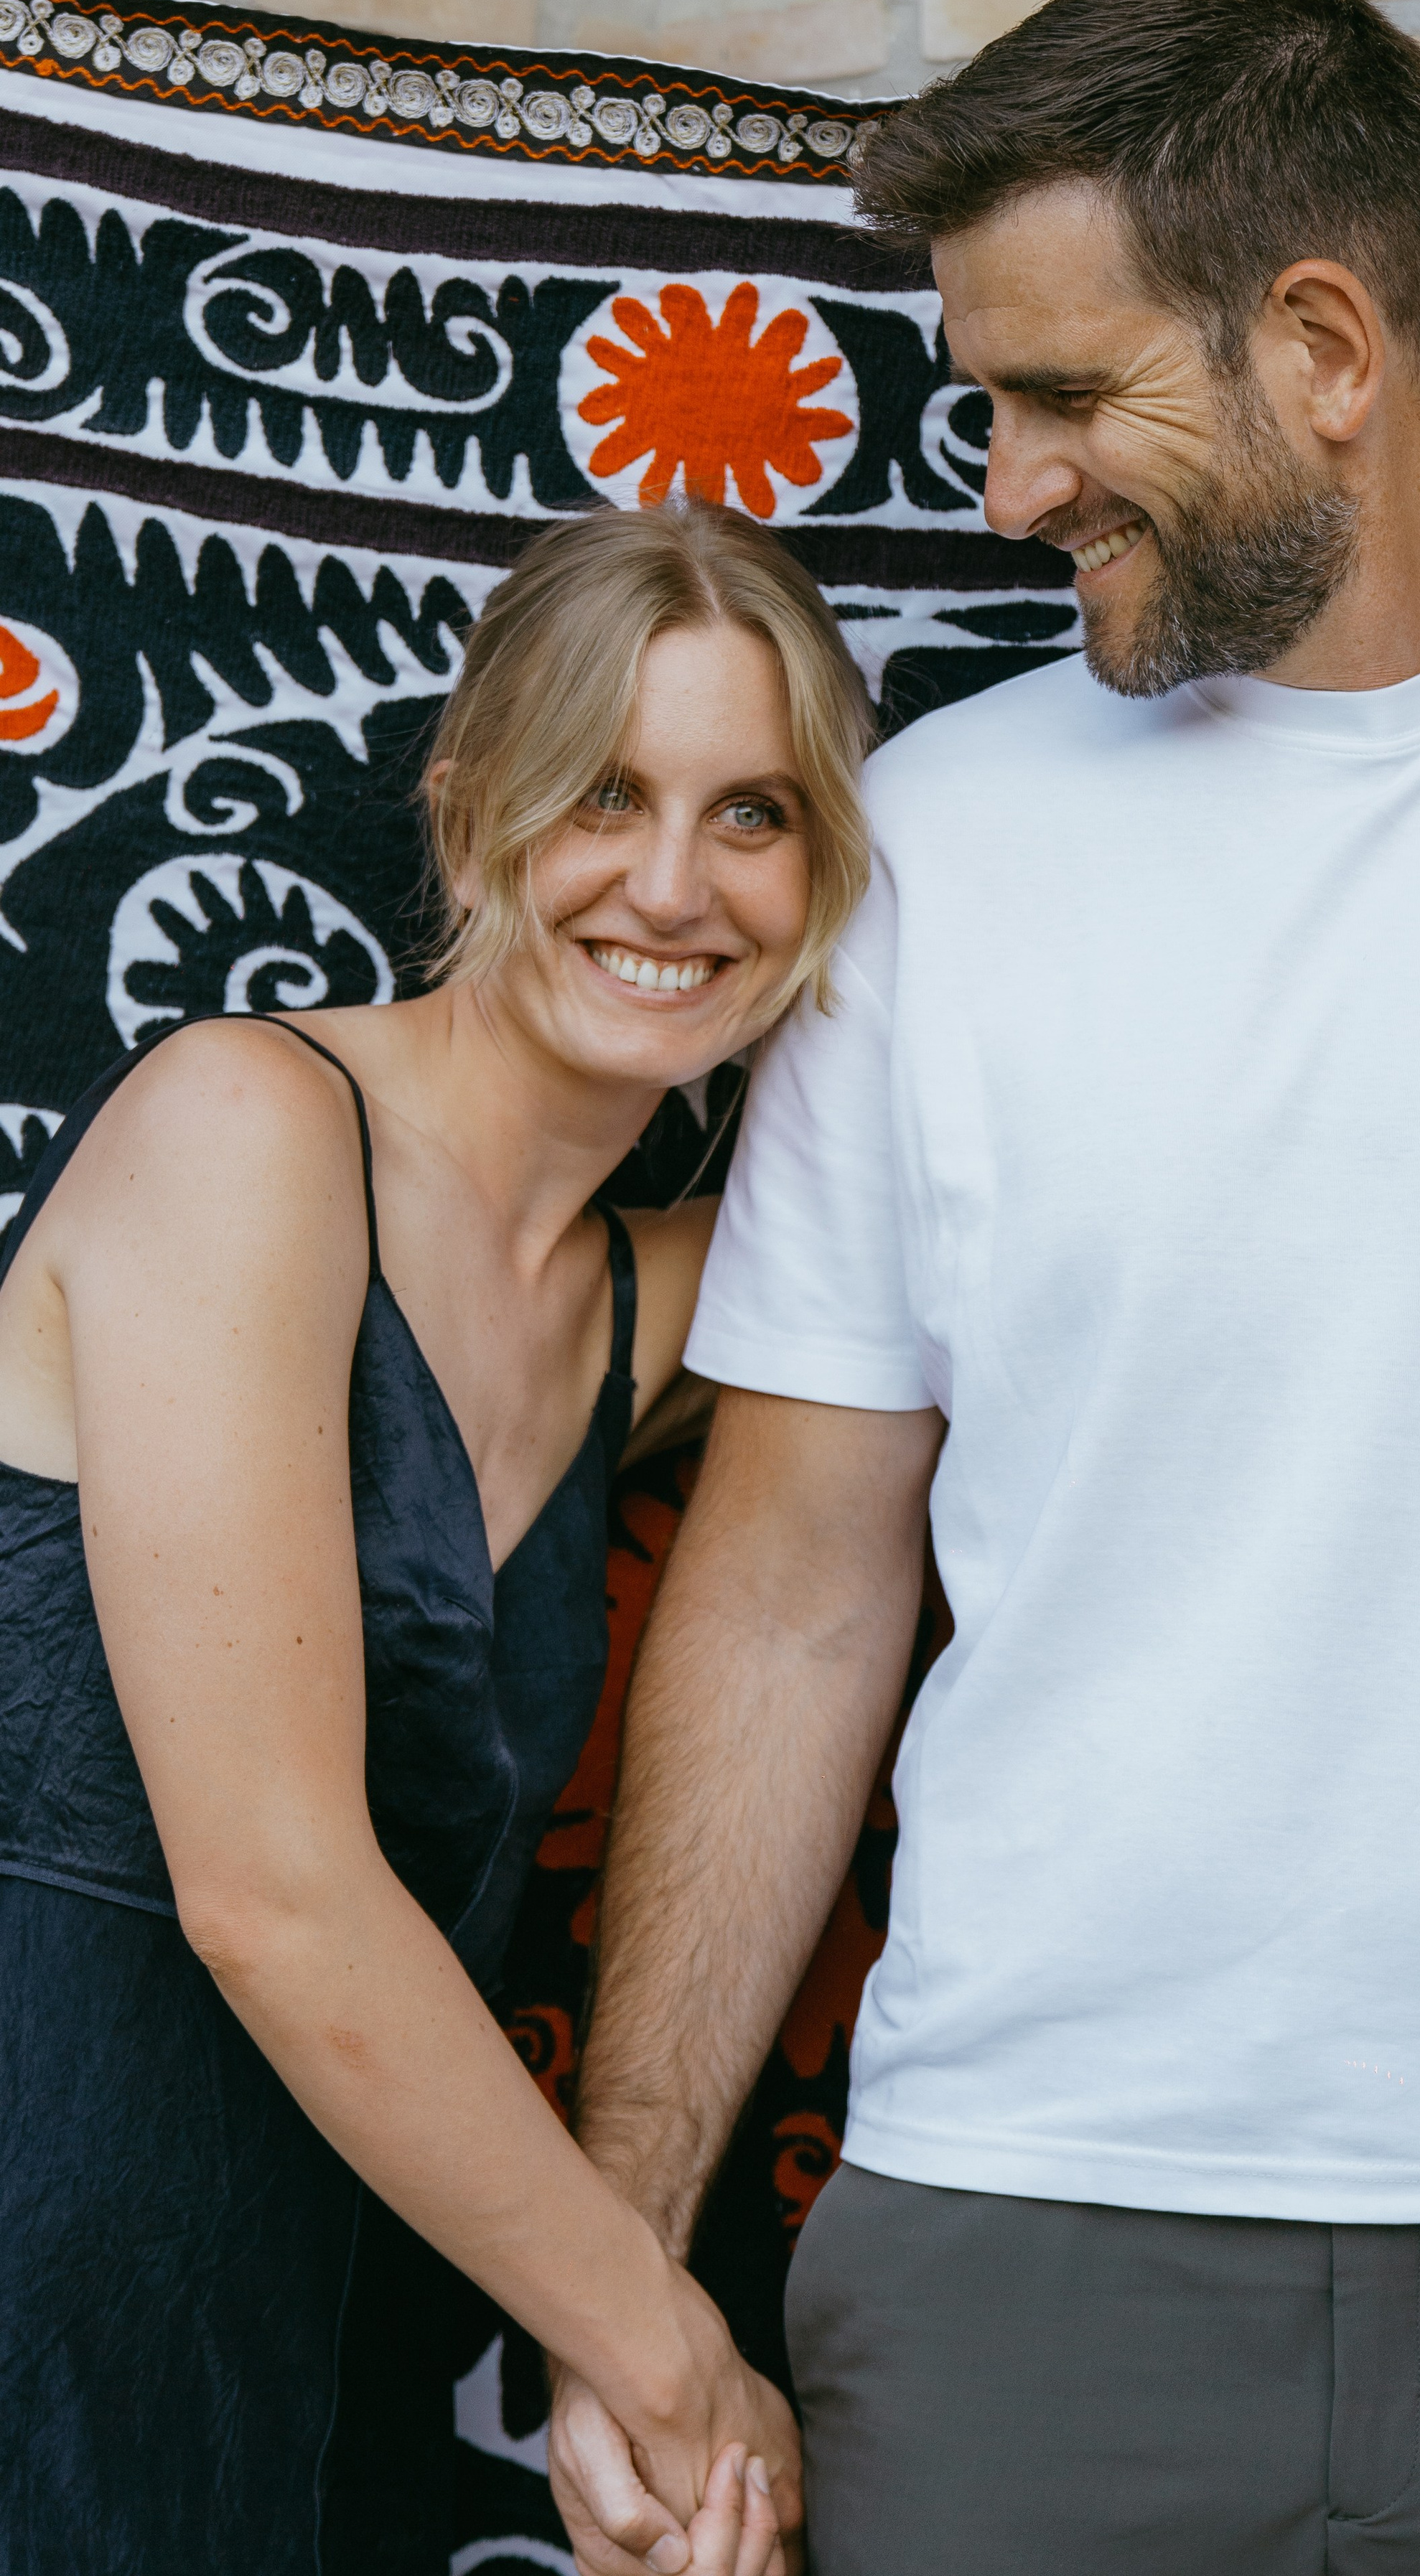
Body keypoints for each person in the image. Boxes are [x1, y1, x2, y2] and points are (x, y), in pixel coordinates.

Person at [551, 0, 1420, 2576]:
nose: (1006, 487)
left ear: (1332, 347)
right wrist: (619, 2275)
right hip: (1024, 2242)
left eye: (1061, 395)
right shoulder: (947, 850)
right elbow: (794, 1589)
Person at [0, 500, 872, 2576]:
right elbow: (272, 1891)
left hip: (312, 2328)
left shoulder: (663, 1309)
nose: (673, 886)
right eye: (602, 796)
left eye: (752, 812)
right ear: (474, 810)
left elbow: (1066, 1197)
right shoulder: (244, 1127)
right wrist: (666, 2362)